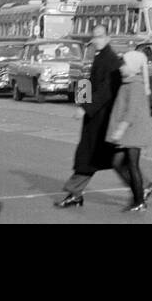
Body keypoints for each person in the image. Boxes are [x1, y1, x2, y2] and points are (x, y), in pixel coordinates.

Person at [54, 25, 122, 209]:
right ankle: (143, 186)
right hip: (96, 116)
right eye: (94, 37)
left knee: (92, 155)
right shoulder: (96, 56)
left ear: (108, 38)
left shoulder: (111, 60)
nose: (96, 40)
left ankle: (74, 192)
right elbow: (88, 80)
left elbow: (105, 91)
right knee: (112, 158)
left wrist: (85, 108)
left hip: (102, 118)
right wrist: (81, 103)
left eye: (100, 37)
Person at [108, 50, 152, 213]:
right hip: (129, 131)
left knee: (132, 165)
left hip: (133, 131)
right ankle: (141, 192)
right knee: (117, 163)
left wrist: (120, 129)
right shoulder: (128, 82)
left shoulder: (135, 85)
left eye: (124, 65)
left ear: (133, 67)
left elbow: (131, 110)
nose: (120, 68)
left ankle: (139, 200)